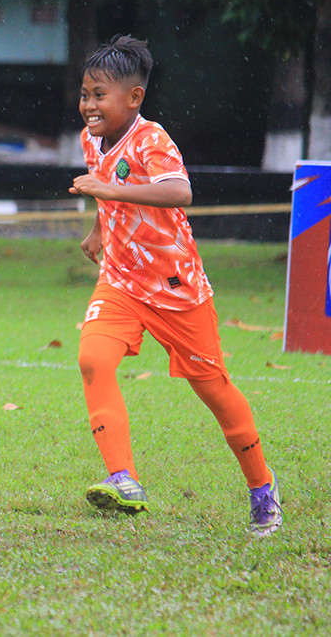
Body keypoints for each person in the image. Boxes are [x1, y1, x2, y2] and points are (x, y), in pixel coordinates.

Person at [68, 34, 282, 536]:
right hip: (120, 281)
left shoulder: (152, 138)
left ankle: (262, 486)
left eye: (99, 95)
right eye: (84, 94)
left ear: (134, 98)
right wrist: (100, 228)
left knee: (215, 392)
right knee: (92, 359)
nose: (88, 105)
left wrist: (108, 189)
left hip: (177, 291)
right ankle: (123, 479)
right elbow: (109, 190)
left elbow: (179, 192)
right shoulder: (90, 138)